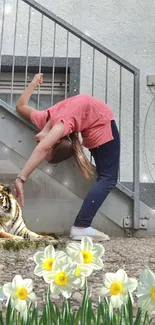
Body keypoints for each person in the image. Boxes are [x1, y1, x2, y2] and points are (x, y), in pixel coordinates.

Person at [15, 73, 120, 241]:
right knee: (108, 178)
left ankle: (82, 225)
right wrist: (33, 84)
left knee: (106, 177)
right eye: (46, 150)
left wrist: (21, 178)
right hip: (99, 125)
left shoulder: (51, 122)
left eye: (46, 151)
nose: (39, 147)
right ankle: (81, 226)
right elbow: (21, 107)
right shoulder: (52, 123)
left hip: (100, 124)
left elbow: (21, 109)